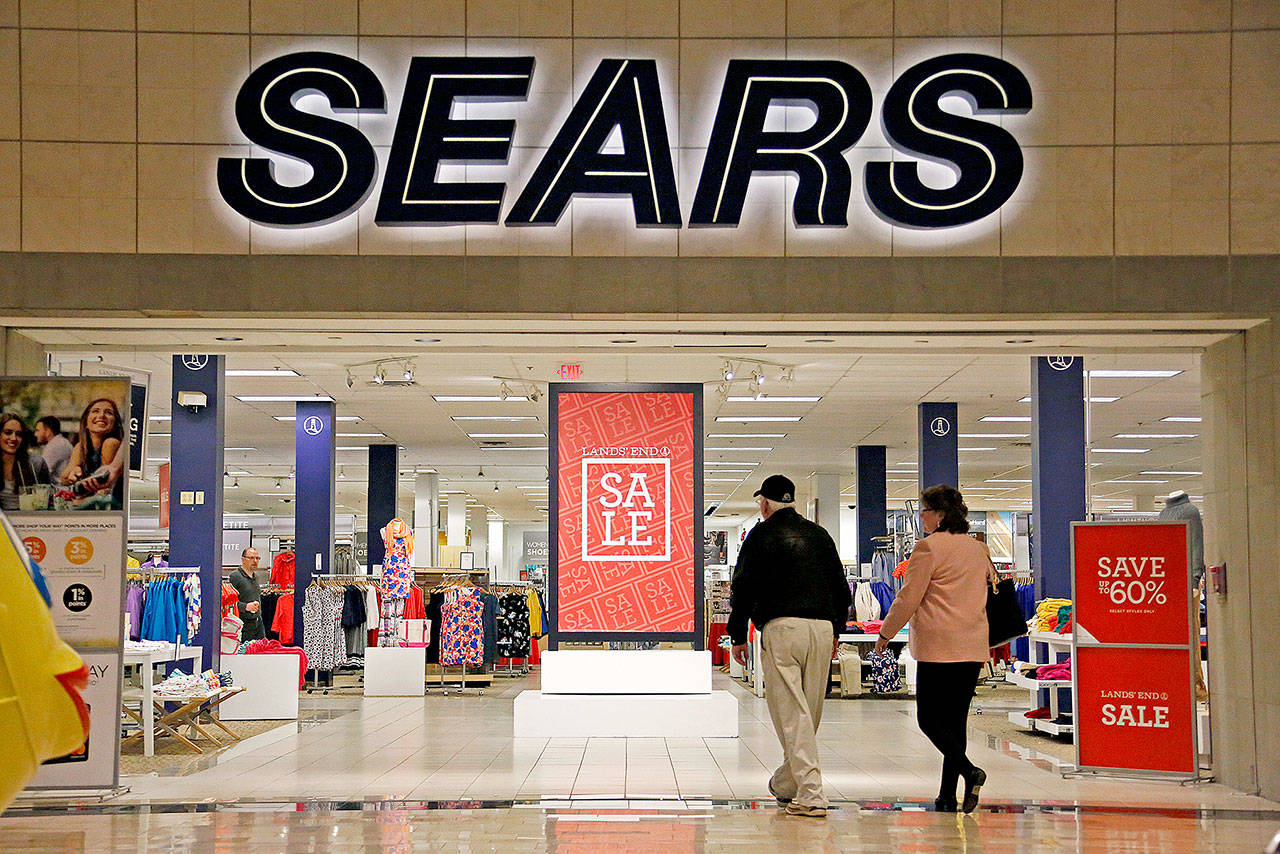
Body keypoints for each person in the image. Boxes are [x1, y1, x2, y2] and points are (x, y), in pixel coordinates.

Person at [728, 474, 851, 819]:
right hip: (823, 629)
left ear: (765, 504)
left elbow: (743, 588)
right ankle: (787, 783)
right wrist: (837, 630)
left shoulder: (761, 535)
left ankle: (811, 794)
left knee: (792, 713)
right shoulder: (820, 534)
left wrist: (737, 634)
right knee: (808, 713)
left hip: (783, 628)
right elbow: (841, 588)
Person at [876, 484, 991, 814]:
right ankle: (946, 796)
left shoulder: (927, 548)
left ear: (939, 514)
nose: (922, 517)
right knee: (956, 722)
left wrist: (885, 633)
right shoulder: (976, 548)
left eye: (924, 511)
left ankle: (970, 772)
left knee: (929, 718)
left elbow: (908, 598)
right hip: (972, 645)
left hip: (940, 646)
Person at [62, 398, 125, 510]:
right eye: (95, 411)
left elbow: (104, 491)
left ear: (115, 423)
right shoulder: (81, 447)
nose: (101, 415)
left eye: (108, 412)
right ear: (86, 422)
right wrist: (74, 473)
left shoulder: (111, 443)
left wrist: (81, 502)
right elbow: (64, 479)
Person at [1, 413, 51, 512]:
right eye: (8, 432)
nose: (13, 438)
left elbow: (48, 501)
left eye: (19, 434)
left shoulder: (37, 464)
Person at [228, 547, 266, 642]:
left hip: (258, 623)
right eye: (251, 558)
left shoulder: (256, 577)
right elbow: (227, 603)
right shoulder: (235, 577)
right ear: (243, 559)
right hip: (242, 624)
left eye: (257, 558)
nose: (255, 561)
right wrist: (245, 607)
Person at [33, 416, 74, 482]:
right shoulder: (61, 442)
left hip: (60, 489)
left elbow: (40, 472)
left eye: (38, 430)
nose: (35, 434)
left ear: (48, 431)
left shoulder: (55, 445)